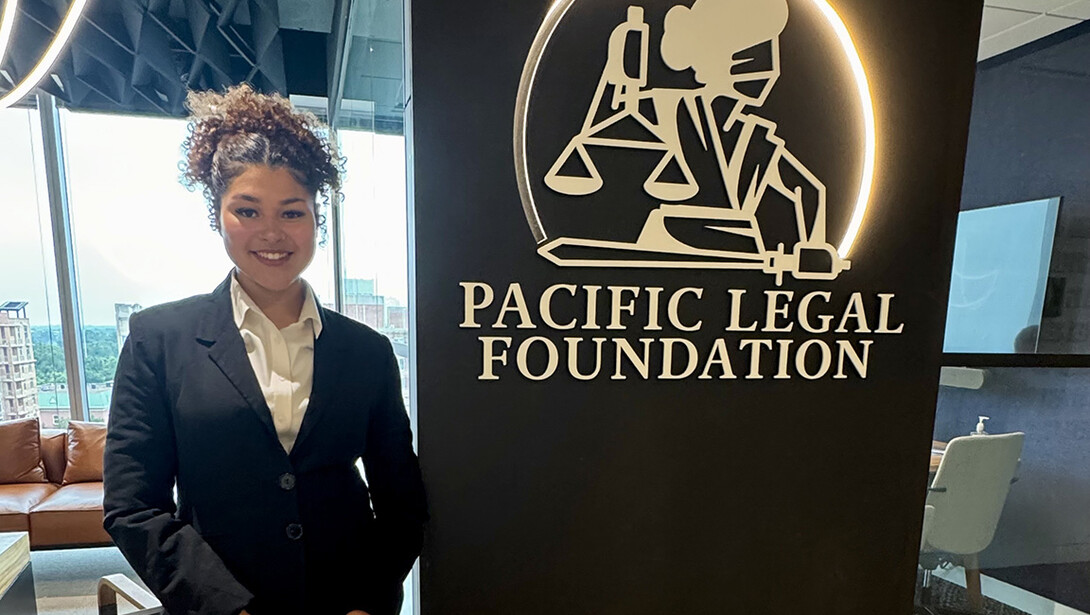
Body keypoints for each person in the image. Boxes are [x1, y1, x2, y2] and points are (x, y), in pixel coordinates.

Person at [102, 83, 427, 615]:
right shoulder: (157, 339)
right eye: (247, 211)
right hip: (220, 604)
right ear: (218, 214)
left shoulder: (367, 351)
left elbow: (401, 501)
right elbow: (134, 507)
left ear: (317, 218)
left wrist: (366, 601)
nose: (272, 233)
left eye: (292, 212)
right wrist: (226, 606)